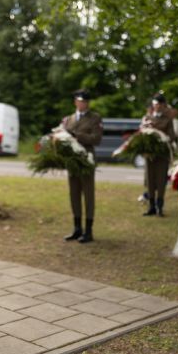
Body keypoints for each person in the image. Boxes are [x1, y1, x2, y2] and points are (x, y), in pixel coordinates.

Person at [61, 89, 103, 243]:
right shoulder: (68, 119)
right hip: (73, 161)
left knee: (88, 195)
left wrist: (78, 136)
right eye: (79, 101)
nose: (82, 104)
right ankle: (77, 228)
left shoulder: (94, 118)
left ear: (88, 103)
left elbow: (97, 139)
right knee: (74, 194)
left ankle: (88, 231)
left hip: (87, 160)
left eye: (85, 101)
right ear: (75, 102)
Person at [140, 93, 177, 216]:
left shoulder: (167, 119)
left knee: (161, 181)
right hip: (150, 155)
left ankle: (160, 206)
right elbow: (142, 132)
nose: (157, 107)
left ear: (164, 105)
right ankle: (151, 207)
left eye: (160, 104)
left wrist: (164, 138)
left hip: (162, 154)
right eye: (155, 104)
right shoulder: (147, 117)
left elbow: (172, 136)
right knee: (150, 180)